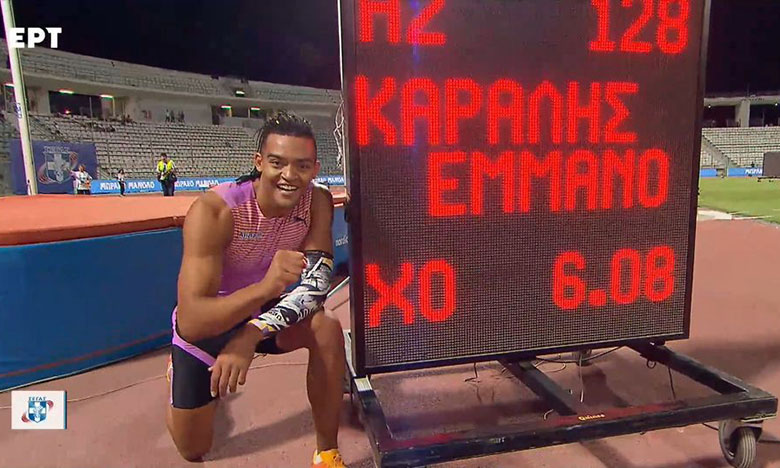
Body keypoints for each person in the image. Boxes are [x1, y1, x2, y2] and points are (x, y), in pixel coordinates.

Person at [166, 111, 346, 468]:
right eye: (278, 163)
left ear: (315, 169)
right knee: (193, 449)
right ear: (259, 162)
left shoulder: (317, 201)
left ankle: (326, 453)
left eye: (302, 166)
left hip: (262, 314)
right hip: (212, 319)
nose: (290, 176)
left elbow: (316, 287)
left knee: (326, 326)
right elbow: (192, 320)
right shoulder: (215, 211)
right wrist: (266, 287)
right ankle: (176, 375)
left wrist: (251, 333)